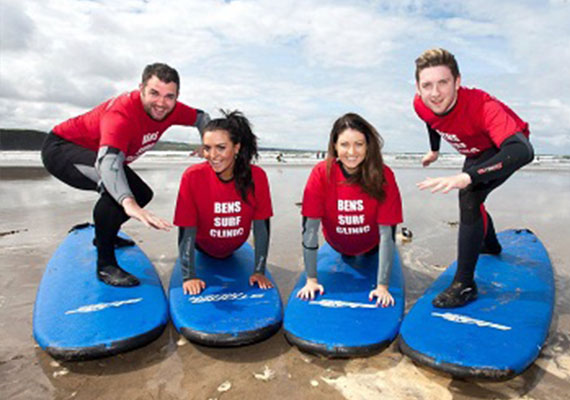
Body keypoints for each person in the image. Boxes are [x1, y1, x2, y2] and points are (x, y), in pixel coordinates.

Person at [42, 63, 210, 287]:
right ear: (141, 88)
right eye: (154, 93)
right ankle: (105, 265)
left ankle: (104, 234)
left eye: (169, 96)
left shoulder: (173, 109)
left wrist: (207, 144)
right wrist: (127, 203)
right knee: (116, 193)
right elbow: (108, 162)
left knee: (142, 193)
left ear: (176, 96)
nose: (161, 103)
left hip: (101, 155)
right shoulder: (121, 114)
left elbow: (202, 117)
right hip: (62, 149)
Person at [413, 48, 534, 308]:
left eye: (443, 83)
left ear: (457, 81)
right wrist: (434, 150)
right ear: (418, 87)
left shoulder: (482, 107)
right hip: (476, 152)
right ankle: (489, 244)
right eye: (427, 85)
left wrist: (468, 176)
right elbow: (430, 119)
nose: (434, 93)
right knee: (473, 197)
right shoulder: (420, 103)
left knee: (469, 194)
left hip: (502, 150)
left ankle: (465, 284)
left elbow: (522, 151)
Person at [296, 113, 403, 307]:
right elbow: (310, 228)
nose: (351, 151)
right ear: (335, 146)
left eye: (359, 144)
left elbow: (387, 234)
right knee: (346, 254)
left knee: (372, 252)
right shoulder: (321, 173)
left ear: (368, 146)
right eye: (344, 144)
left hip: (373, 245)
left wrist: (382, 286)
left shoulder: (383, 175)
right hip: (336, 245)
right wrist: (311, 279)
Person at [173, 110, 274, 295]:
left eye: (220, 147)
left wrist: (259, 270)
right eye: (207, 148)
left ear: (236, 147)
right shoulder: (193, 177)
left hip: (235, 247)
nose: (212, 155)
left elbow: (262, 227)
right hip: (202, 247)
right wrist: (188, 276)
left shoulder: (257, 177)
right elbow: (186, 229)